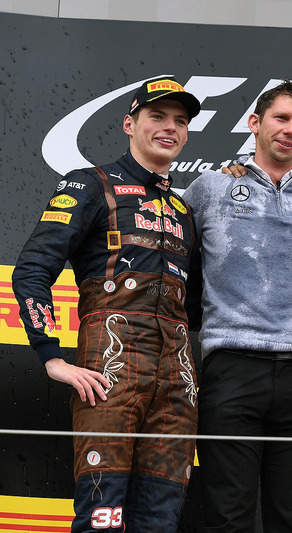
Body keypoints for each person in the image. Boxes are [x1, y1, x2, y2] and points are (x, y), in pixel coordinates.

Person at [12, 76, 202, 532]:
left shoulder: (184, 211)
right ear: (128, 123)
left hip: (177, 383)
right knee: (102, 516)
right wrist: (50, 355)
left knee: (160, 520)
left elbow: (194, 308)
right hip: (110, 373)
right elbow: (33, 269)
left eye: (179, 121)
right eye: (157, 117)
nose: (169, 128)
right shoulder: (90, 184)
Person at [182, 80, 292, 532]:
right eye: (281, 118)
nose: (290, 129)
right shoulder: (211, 187)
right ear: (255, 123)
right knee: (228, 516)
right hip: (232, 368)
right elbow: (169, 252)